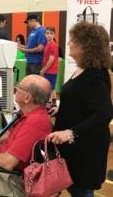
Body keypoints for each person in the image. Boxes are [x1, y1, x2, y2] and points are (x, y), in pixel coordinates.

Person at [48, 22, 113, 197]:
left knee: (81, 190)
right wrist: (61, 110)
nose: (68, 43)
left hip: (86, 148)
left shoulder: (94, 75)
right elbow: (82, 102)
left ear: (86, 46)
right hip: (75, 146)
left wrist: (71, 132)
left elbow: (104, 113)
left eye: (73, 40)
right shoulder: (82, 69)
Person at [40, 26, 59, 107]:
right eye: (47, 33)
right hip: (50, 70)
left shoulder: (53, 45)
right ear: (45, 34)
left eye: (51, 33)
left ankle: (49, 103)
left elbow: (51, 60)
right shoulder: (47, 44)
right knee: (52, 88)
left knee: (49, 88)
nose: (49, 35)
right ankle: (53, 103)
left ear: (54, 35)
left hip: (51, 71)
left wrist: (44, 70)